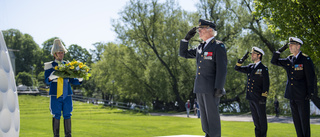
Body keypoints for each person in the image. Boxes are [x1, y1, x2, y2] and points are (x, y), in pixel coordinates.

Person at [179, 19, 227, 137]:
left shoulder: (218, 46)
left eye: (201, 30)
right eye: (198, 30)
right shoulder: (200, 47)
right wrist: (186, 39)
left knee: (212, 118)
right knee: (204, 119)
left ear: (210, 30)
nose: (199, 32)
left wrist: (219, 88)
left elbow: (222, 68)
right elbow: (183, 53)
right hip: (200, 87)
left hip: (211, 89)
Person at [271, 37, 315, 137]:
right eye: (289, 45)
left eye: (292, 45)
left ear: (298, 46)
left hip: (302, 96)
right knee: (296, 123)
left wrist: (310, 93)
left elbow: (311, 77)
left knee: (304, 122)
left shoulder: (305, 59)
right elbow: (274, 61)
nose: (290, 46)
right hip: (291, 95)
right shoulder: (289, 59)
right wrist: (279, 51)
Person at [44, 39, 83, 137]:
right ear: (54, 54)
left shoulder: (68, 65)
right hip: (55, 93)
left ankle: (68, 135)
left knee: (67, 114)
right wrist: (50, 78)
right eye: (59, 53)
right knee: (56, 114)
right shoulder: (49, 66)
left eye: (62, 53)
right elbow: (46, 81)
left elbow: (71, 80)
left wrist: (79, 79)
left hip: (67, 93)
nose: (61, 55)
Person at [234, 47, 269, 137]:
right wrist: (242, 60)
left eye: (253, 54)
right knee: (256, 121)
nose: (251, 55)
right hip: (251, 97)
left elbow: (266, 85)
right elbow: (237, 68)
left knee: (262, 120)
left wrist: (263, 98)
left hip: (259, 98)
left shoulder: (263, 68)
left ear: (259, 55)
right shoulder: (250, 67)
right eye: (251, 54)